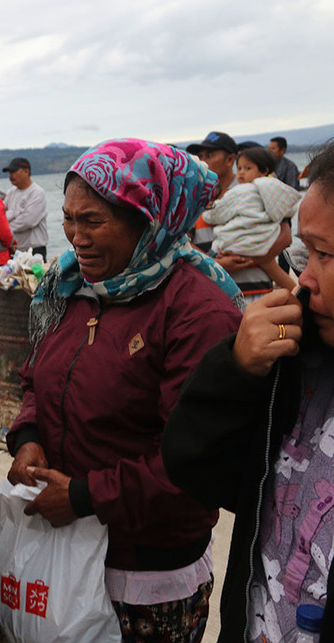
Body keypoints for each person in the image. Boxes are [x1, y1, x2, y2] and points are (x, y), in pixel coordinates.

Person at [6, 139, 244, 642]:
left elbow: (193, 463)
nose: (75, 238)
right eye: (69, 219)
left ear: (149, 220)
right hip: (70, 550)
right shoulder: (69, 288)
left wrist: (82, 495)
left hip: (145, 570)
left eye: (92, 221)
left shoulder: (197, 312)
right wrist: (27, 433)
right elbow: (36, 375)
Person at [163, 141, 334, 642]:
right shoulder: (299, 366)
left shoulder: (197, 297)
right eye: (306, 251)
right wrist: (236, 366)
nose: (305, 278)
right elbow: (196, 466)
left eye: (325, 254)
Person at [203, 146, 301, 295]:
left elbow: (216, 214)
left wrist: (206, 212)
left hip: (230, 250)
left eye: (247, 168)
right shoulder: (274, 193)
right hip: (262, 254)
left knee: (209, 263)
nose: (241, 172)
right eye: (240, 168)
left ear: (263, 171)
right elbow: (287, 211)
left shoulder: (239, 192)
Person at [188, 131, 239, 254]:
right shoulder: (194, 195)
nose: (203, 161)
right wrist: (214, 264)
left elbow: (281, 236)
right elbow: (182, 242)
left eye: (209, 155)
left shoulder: (247, 190)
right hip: (205, 270)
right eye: (200, 156)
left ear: (230, 160)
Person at [2, 157, 48, 258]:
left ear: (26, 171)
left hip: (34, 249)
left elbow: (28, 221)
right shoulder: (11, 193)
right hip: (15, 250)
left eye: (13, 172)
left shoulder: (37, 192)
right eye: (9, 173)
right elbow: (0, 216)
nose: (10, 176)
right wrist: (17, 214)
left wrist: (5, 229)